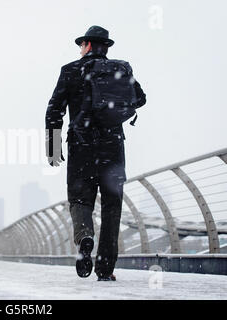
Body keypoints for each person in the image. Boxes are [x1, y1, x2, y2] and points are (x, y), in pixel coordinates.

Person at [45, 26, 146, 281]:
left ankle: (84, 236)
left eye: (82, 45)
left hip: (81, 146)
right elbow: (141, 99)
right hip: (113, 147)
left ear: (87, 45)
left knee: (80, 200)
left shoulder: (70, 70)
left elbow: (54, 110)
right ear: (106, 48)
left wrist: (53, 148)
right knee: (112, 207)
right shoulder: (120, 70)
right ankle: (105, 269)